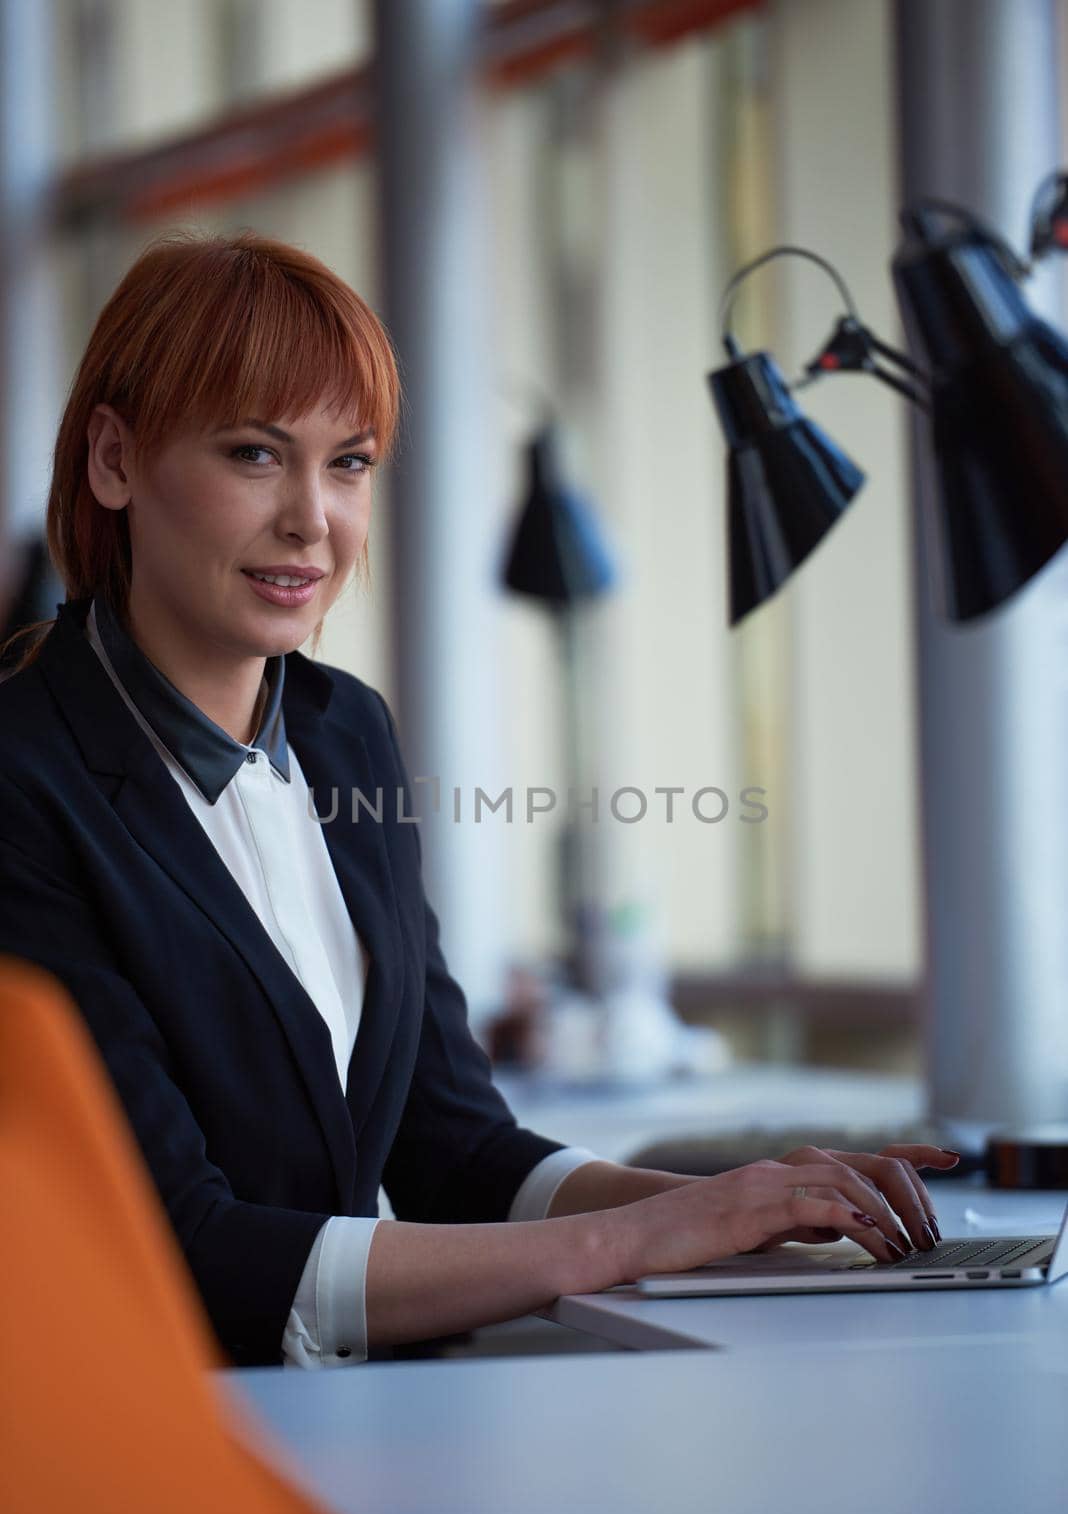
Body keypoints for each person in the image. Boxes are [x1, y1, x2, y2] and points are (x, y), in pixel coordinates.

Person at [0, 230, 960, 1369]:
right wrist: (647, 1232)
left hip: (361, 1427)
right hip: (157, 1445)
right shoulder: (27, 778)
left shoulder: (345, 732)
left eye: (349, 462)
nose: (315, 519)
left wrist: (756, 1208)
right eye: (256, 455)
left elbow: (453, 1146)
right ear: (114, 461)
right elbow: (188, 1250)